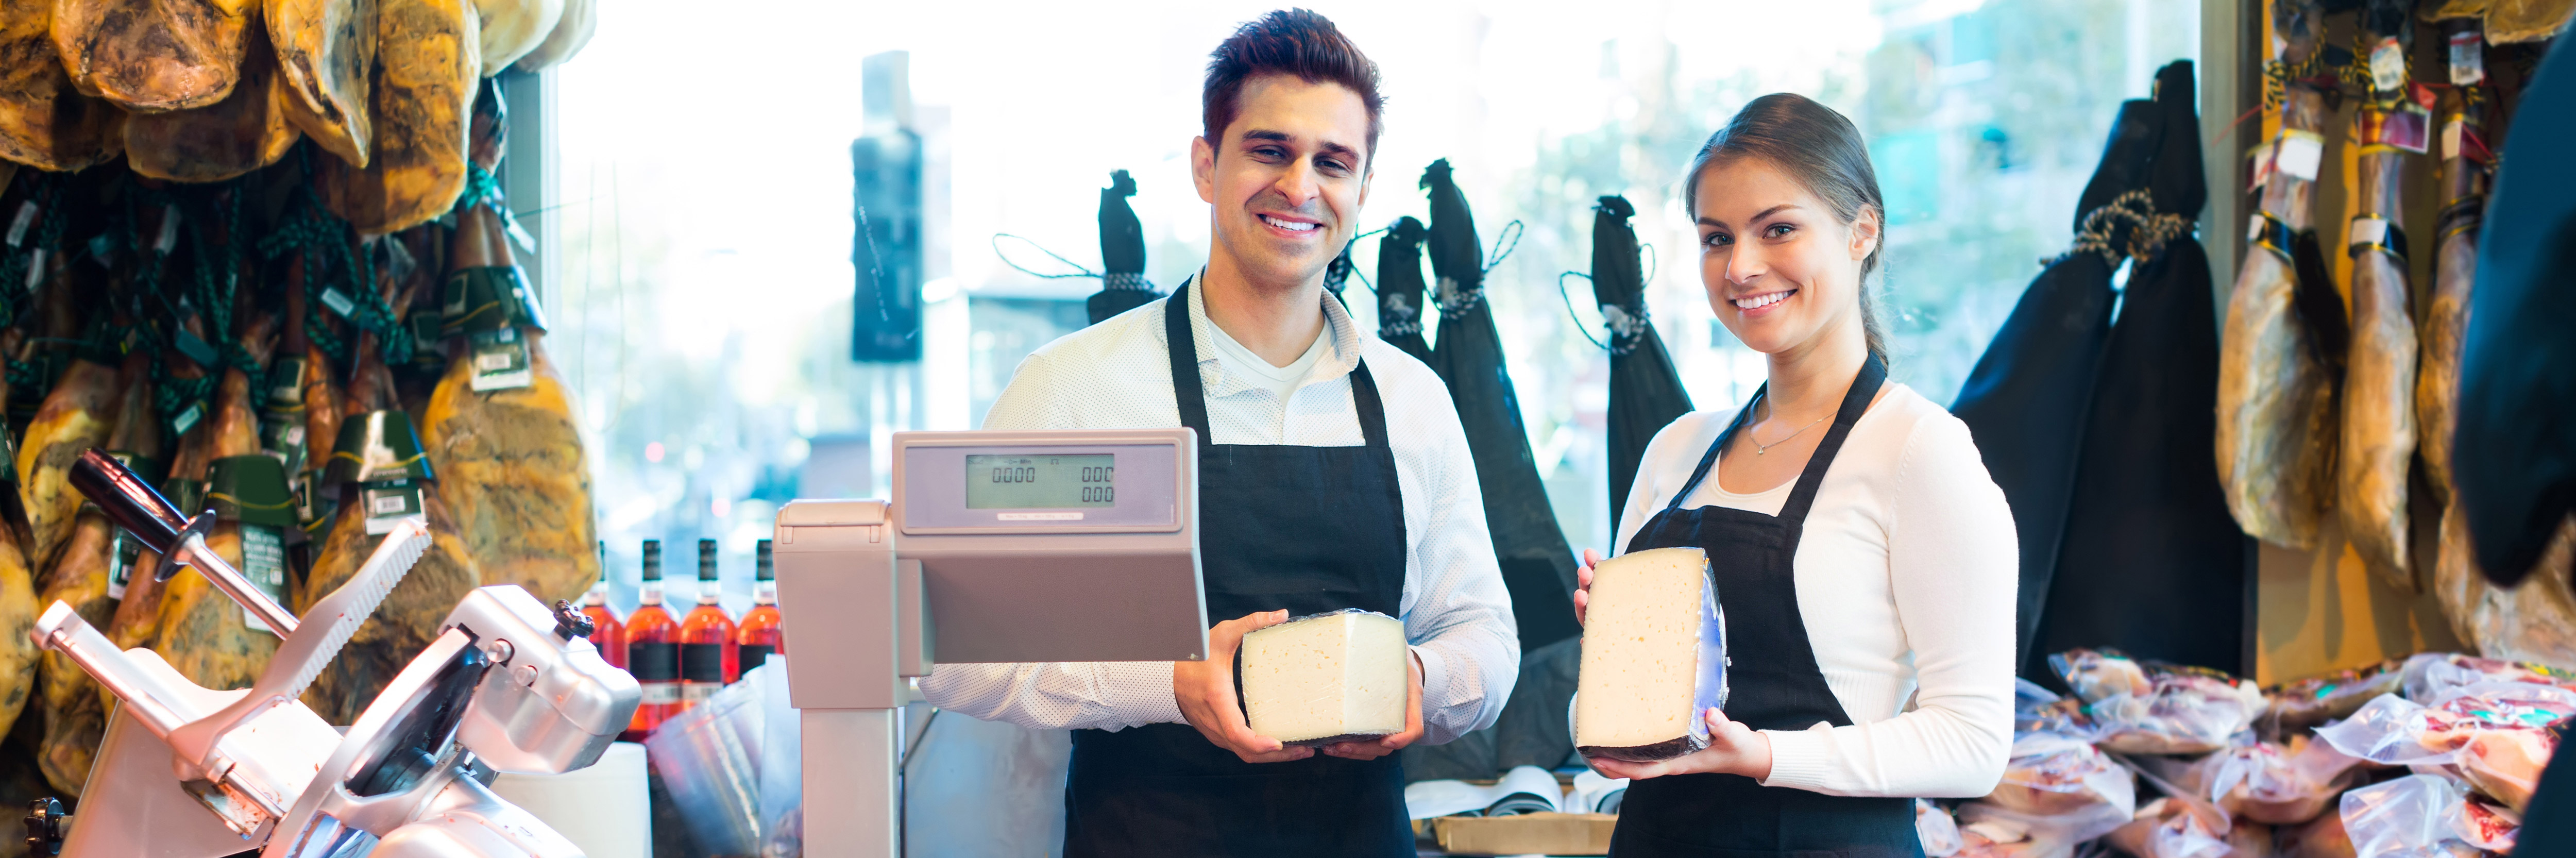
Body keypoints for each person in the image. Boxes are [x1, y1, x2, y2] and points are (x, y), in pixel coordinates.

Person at [916, 10, 1519, 856]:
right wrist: (1165, 683)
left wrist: (1421, 678)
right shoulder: (1078, 388)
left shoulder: (1415, 400)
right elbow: (951, 641)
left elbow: (1486, 634)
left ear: (1363, 190)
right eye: (1270, 150)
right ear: (1207, 165)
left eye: (1333, 162)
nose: (1301, 187)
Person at [1572, 94, 2015, 857]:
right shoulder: (1676, 451)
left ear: (1861, 230)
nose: (1742, 266)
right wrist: (1620, 663)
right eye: (1717, 238)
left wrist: (1768, 755)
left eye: (1778, 228)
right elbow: (1603, 716)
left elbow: (1973, 741)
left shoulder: (1919, 450)